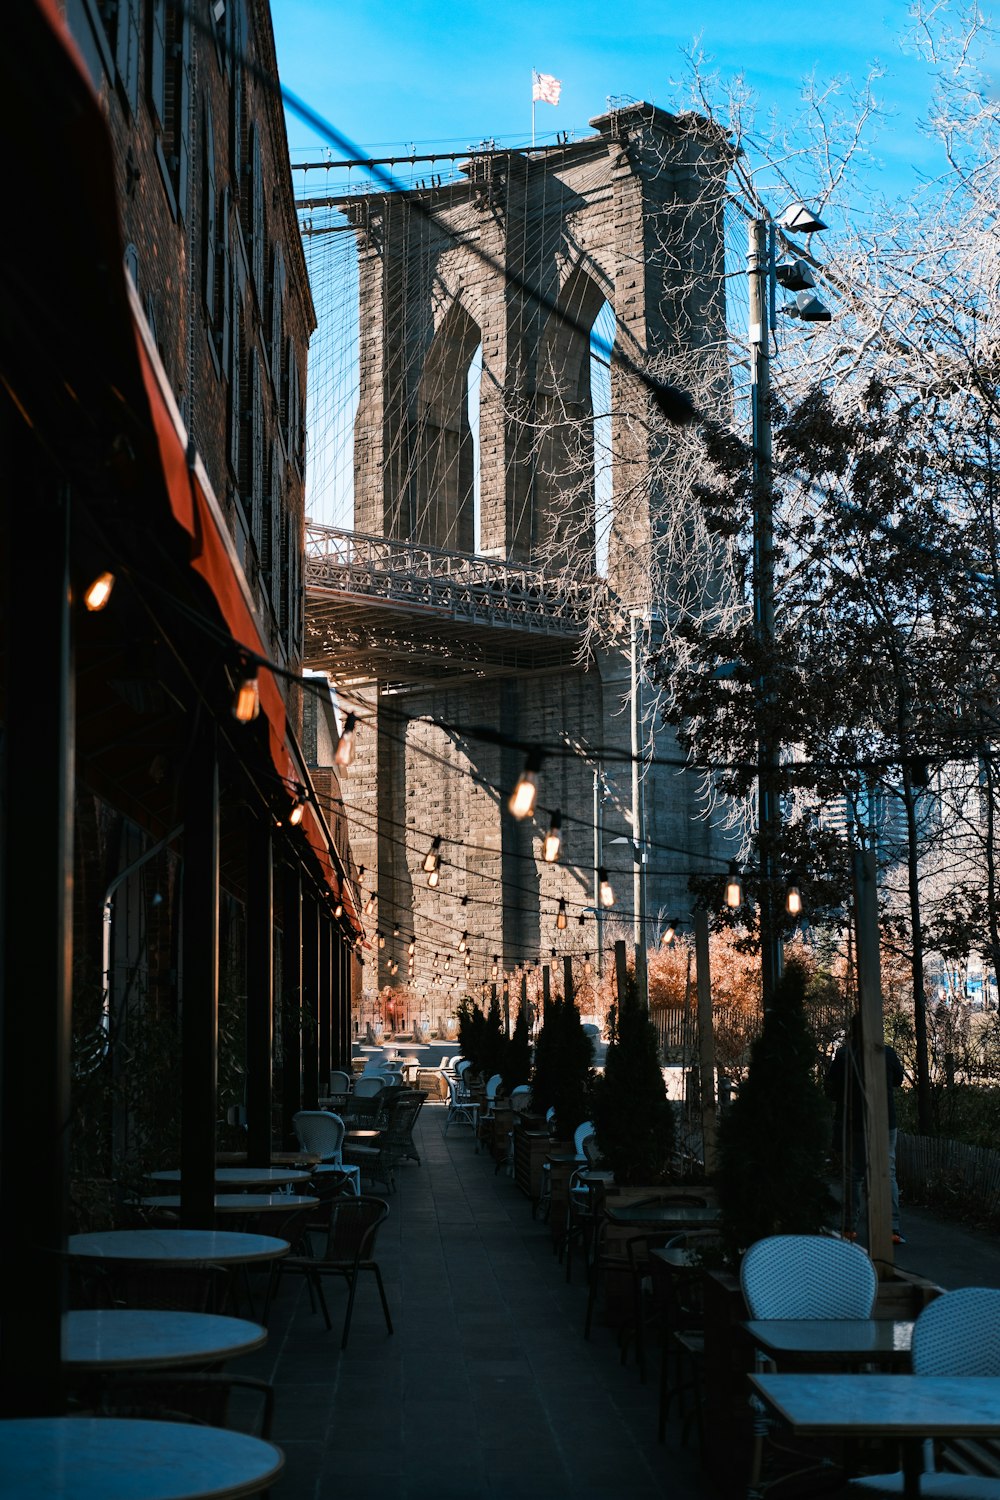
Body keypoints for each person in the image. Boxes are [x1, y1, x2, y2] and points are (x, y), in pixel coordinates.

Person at [826, 1015, 906, 1244]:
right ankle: (892, 1226)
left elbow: (831, 1088)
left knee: (855, 1173)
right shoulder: (887, 1053)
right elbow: (898, 1080)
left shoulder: (844, 1056)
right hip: (886, 1120)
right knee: (887, 1172)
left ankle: (850, 1225)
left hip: (854, 1120)